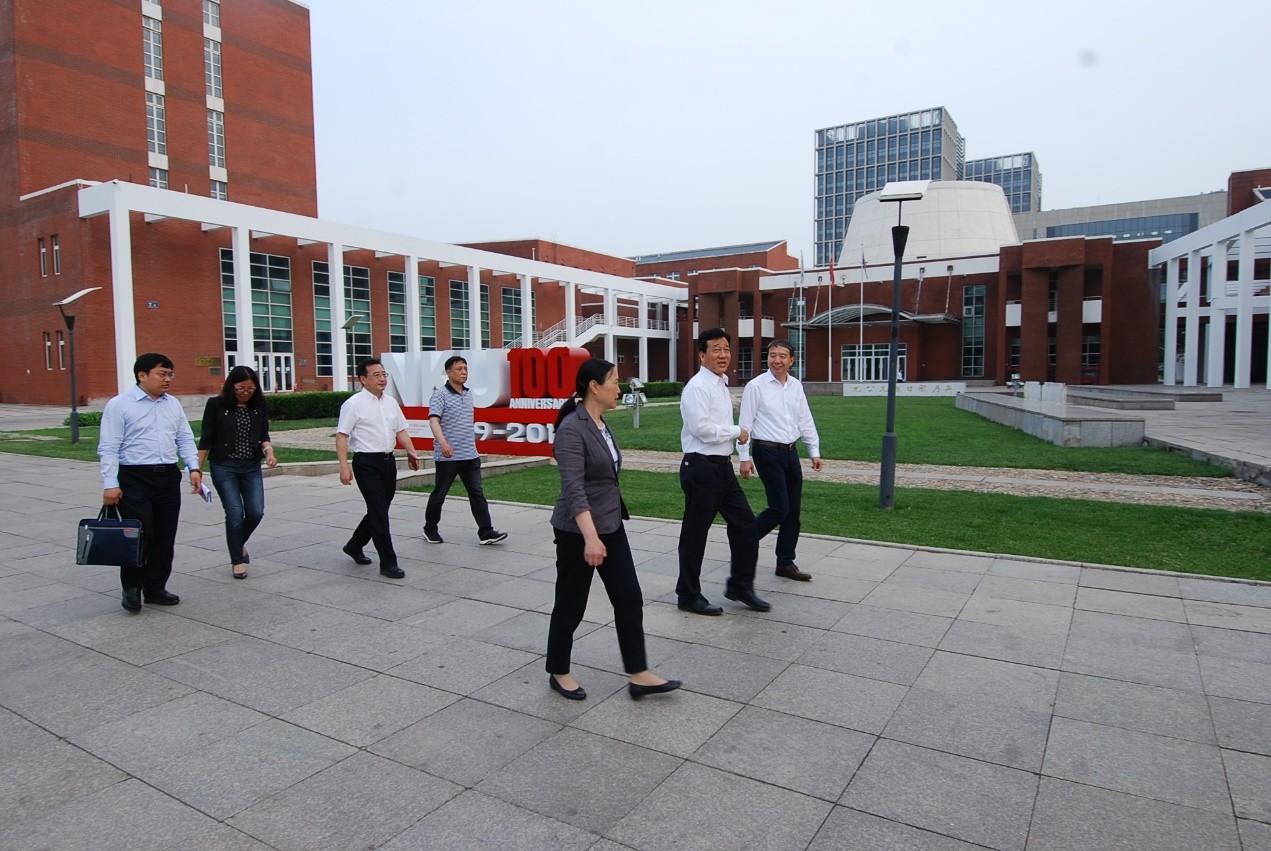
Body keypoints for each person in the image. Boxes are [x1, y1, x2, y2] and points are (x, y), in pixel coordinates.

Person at [545, 358, 681, 701]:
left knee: (629, 597)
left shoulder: (600, 423)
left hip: (610, 523)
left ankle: (639, 674)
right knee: (571, 603)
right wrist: (591, 538)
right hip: (578, 532)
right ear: (594, 386)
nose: (619, 388)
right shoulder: (572, 429)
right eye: (614, 381)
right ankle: (559, 671)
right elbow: (574, 489)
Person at [675, 328, 770, 615]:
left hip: (721, 468)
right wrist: (736, 431)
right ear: (702, 355)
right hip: (701, 467)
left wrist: (739, 446)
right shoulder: (697, 387)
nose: (723, 355)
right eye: (716, 349)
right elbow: (700, 429)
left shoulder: (720, 384)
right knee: (695, 535)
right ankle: (688, 595)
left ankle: (740, 585)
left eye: (726, 349)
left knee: (746, 526)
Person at [98, 353, 202, 613]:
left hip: (167, 477)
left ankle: (156, 588)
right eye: (162, 374)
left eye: (170, 374)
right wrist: (110, 483)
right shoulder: (120, 405)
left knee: (165, 536)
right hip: (134, 478)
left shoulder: (173, 404)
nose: (168, 379)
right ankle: (132, 588)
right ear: (142, 375)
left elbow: (184, 438)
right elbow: (109, 447)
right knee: (139, 534)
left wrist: (193, 467)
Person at [739, 339, 823, 582]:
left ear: (791, 360)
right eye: (772, 355)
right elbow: (745, 424)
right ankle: (744, 541)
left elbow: (805, 419)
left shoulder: (796, 386)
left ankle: (785, 562)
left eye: (782, 356)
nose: (777, 360)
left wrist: (814, 451)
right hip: (766, 452)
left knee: (793, 511)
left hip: (790, 452)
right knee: (779, 508)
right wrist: (744, 457)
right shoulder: (756, 386)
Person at [336, 358, 421, 578]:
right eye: (376, 375)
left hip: (388, 462)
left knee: (379, 509)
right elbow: (342, 436)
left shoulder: (391, 402)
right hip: (366, 464)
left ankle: (354, 545)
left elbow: (401, 430)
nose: (382, 379)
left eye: (384, 374)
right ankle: (388, 563)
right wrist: (344, 467)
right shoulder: (353, 404)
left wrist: (411, 453)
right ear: (363, 379)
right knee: (379, 513)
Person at [197, 365, 278, 579]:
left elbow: (263, 435)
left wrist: (269, 452)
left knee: (255, 512)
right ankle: (237, 560)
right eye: (241, 389)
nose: (246, 393)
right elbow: (206, 439)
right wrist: (197, 469)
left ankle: (237, 543)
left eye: (250, 389)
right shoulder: (216, 404)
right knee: (234, 513)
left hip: (251, 466)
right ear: (231, 386)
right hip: (224, 466)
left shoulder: (258, 405)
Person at [423, 355, 507, 546]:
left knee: (477, 494)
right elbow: (433, 420)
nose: (463, 372)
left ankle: (486, 532)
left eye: (465, 369)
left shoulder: (468, 394)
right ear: (448, 372)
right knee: (439, 494)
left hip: (470, 455)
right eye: (459, 369)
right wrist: (443, 444)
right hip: (448, 456)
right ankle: (430, 529)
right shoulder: (440, 395)